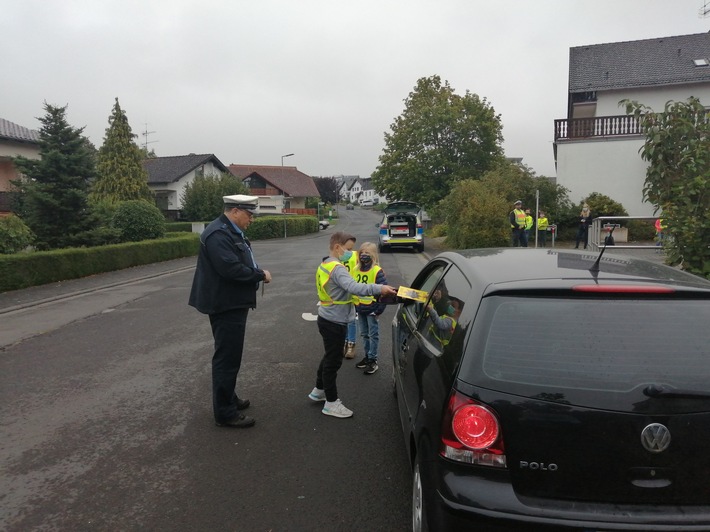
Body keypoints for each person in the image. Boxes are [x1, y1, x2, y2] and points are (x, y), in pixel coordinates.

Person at [188, 194, 272, 428]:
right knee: (227, 358)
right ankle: (225, 413)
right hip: (225, 304)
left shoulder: (228, 231)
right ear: (235, 211)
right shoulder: (218, 234)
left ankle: (229, 397)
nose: (251, 219)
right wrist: (260, 275)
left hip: (232, 301)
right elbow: (230, 269)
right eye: (248, 214)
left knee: (230, 356)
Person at [309, 232, 397, 418]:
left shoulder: (325, 264)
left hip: (327, 316)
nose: (352, 254)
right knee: (333, 362)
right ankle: (331, 403)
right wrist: (379, 288)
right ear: (337, 247)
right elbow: (354, 287)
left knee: (329, 356)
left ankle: (318, 391)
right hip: (335, 320)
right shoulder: (337, 268)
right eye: (349, 249)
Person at [353, 242, 387, 375]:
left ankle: (373, 360)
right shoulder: (355, 269)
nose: (364, 255)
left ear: (373, 255)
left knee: (373, 335)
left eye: (367, 253)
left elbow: (384, 293)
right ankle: (367, 357)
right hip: (360, 308)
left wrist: (378, 310)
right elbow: (353, 288)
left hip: (372, 309)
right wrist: (355, 306)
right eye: (362, 252)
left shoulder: (377, 271)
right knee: (364, 334)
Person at [340, 236, 359, 359]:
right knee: (341, 320)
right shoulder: (335, 257)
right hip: (339, 292)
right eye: (347, 247)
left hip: (352, 291)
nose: (348, 250)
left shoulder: (356, 255)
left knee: (351, 319)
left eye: (351, 248)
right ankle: (343, 342)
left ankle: (351, 344)